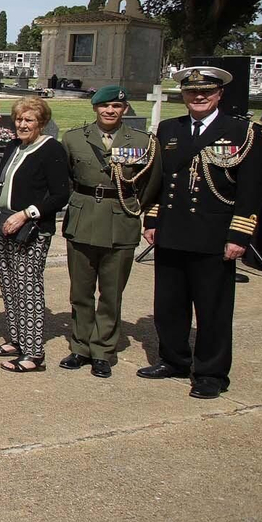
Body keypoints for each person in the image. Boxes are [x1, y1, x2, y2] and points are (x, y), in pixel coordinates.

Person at [139, 67, 262, 399]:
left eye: (206, 91)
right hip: (172, 230)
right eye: (192, 92)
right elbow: (159, 181)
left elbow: (251, 190)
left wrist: (239, 237)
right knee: (169, 304)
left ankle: (211, 373)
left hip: (215, 234)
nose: (198, 97)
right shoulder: (169, 129)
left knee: (212, 309)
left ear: (219, 94)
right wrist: (151, 220)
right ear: (182, 94)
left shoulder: (243, 131)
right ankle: (174, 359)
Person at [59, 86, 160, 376]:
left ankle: (103, 350)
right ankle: (79, 346)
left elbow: (152, 181)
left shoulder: (141, 142)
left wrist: (138, 207)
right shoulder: (74, 138)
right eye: (104, 106)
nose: (110, 111)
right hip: (83, 217)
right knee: (80, 290)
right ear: (95, 108)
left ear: (125, 109)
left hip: (121, 219)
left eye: (116, 106)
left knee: (111, 291)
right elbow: (66, 177)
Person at [0, 97, 70, 372]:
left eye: (28, 120)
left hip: (31, 231)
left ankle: (34, 353)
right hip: (3, 226)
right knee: (9, 285)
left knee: (28, 288)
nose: (22, 124)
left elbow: (60, 194)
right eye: (19, 119)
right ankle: (17, 340)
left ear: (41, 122)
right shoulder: (14, 146)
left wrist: (26, 214)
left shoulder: (51, 149)